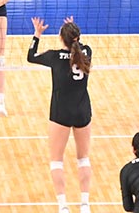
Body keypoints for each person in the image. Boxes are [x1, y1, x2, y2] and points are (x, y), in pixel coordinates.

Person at [27, 16, 93, 213]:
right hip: (82, 111)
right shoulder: (87, 52)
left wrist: (37, 34)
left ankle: (63, 206)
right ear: (77, 38)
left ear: (61, 38)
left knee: (56, 160)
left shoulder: (54, 57)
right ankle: (84, 204)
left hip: (60, 112)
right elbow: (79, 46)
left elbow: (31, 56)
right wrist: (71, 29)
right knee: (83, 159)